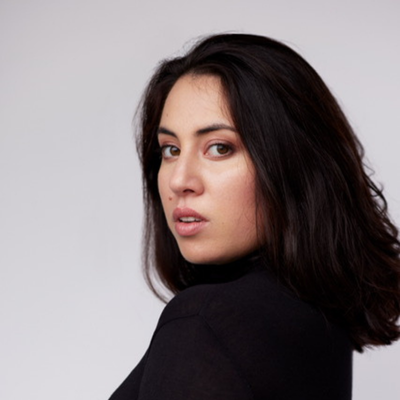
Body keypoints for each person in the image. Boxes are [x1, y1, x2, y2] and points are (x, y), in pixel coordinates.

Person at [108, 33, 400, 399]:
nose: (180, 180)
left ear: (291, 163)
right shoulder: (316, 318)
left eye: (219, 148)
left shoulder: (207, 321)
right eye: (170, 149)